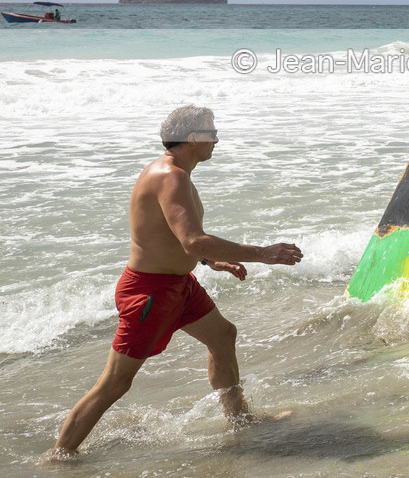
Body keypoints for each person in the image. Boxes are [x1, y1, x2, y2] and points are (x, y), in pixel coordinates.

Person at [50, 107, 303, 458]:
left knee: (223, 335)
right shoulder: (171, 177)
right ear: (194, 138)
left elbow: (169, 235)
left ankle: (241, 419)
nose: (217, 138)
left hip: (177, 286)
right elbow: (193, 240)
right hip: (149, 293)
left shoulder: (173, 173)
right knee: (115, 383)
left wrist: (208, 260)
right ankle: (59, 456)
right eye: (212, 131)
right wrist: (263, 253)